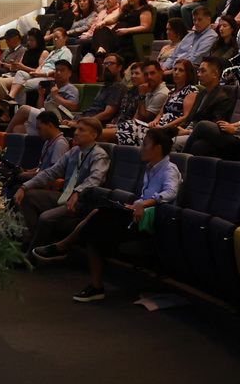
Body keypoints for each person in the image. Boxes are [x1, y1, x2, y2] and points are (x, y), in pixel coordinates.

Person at [46, 125, 183, 303]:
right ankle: (91, 281)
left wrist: (144, 204)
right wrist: (135, 205)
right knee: (97, 216)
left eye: (145, 145)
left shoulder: (169, 169)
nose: (141, 149)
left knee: (97, 221)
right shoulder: (150, 167)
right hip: (136, 214)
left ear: (157, 148)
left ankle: (66, 250)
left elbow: (171, 193)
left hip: (152, 221)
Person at [16, 115, 111, 250]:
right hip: (65, 196)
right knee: (28, 196)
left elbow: (96, 179)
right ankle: (28, 242)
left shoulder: (100, 155)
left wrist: (78, 193)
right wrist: (25, 186)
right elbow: (51, 173)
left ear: (94, 135)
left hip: (82, 203)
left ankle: (35, 254)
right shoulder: (74, 152)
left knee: (46, 217)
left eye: (82, 130)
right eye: (76, 129)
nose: (76, 132)